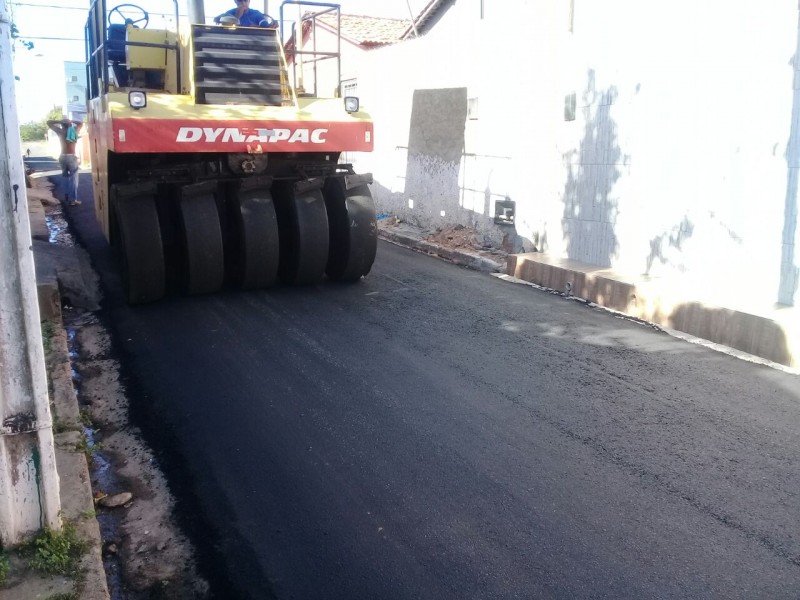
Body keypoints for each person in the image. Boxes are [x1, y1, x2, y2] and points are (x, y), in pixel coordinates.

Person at [47, 117, 84, 206]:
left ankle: (66, 196)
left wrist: (60, 121)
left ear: (62, 125)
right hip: (71, 157)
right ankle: (73, 200)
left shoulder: (60, 132)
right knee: (74, 179)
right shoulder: (74, 130)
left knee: (65, 177)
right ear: (70, 124)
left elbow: (49, 122)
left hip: (62, 157)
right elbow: (80, 123)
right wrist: (71, 120)